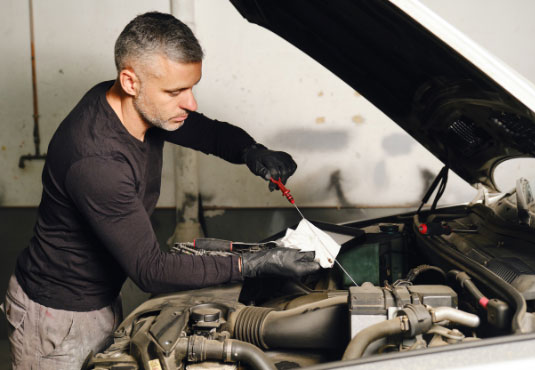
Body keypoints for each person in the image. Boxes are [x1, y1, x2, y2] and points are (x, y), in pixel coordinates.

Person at [2, 12, 320, 369]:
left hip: (100, 298)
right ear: (130, 81)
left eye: (191, 87)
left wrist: (250, 151)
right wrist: (253, 264)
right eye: (176, 91)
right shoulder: (96, 160)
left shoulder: (136, 106)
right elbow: (151, 269)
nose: (191, 102)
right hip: (58, 320)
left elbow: (208, 132)